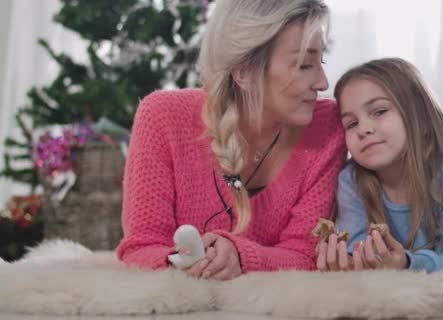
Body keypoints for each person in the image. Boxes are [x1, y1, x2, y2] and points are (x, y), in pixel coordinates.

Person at [116, 0, 346, 281]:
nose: (323, 83)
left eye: (320, 61)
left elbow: (305, 254)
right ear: (244, 71)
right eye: (304, 65)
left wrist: (240, 256)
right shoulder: (162, 117)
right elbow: (141, 249)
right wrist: (192, 265)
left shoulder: (327, 126)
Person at [316, 58, 443, 279]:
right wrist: (347, 263)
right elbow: (357, 253)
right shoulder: (351, 181)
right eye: (352, 123)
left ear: (419, 116)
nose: (363, 129)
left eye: (379, 111)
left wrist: (406, 264)